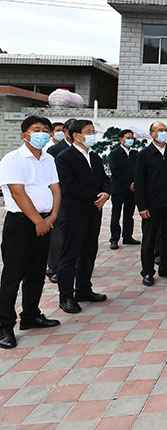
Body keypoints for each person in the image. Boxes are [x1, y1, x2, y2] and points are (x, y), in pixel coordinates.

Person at [0, 116, 61, 349]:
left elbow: (56, 189)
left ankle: (31, 315)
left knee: (36, 272)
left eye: (46, 130)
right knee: (12, 275)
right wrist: (37, 221)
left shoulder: (49, 159)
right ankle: (4, 325)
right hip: (21, 223)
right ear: (24, 134)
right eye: (37, 130)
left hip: (45, 221)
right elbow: (18, 193)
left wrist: (52, 217)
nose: (42, 134)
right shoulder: (12, 159)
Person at [55, 119, 110, 314]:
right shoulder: (64, 157)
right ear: (76, 135)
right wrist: (96, 195)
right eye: (89, 131)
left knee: (89, 251)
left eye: (93, 131)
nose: (93, 134)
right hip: (73, 213)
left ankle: (84, 289)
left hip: (93, 212)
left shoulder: (94, 156)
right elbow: (68, 186)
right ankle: (66, 296)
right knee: (70, 255)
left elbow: (104, 179)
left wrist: (106, 192)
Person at [136, 122, 167, 287]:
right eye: (160, 130)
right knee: (149, 240)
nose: (164, 133)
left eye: (165, 130)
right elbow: (140, 183)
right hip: (151, 206)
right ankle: (148, 272)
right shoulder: (144, 154)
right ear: (152, 134)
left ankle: (166, 267)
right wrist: (142, 206)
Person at [45, 118, 75, 283]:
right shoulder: (54, 151)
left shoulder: (85, 150)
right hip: (59, 199)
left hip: (77, 202)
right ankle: (54, 267)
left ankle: (70, 264)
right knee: (58, 235)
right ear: (66, 132)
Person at [108, 130, 139, 250]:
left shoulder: (135, 153)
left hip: (132, 190)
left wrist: (135, 183)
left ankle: (128, 236)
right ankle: (114, 239)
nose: (131, 140)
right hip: (118, 189)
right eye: (128, 137)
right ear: (121, 139)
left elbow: (138, 170)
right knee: (116, 214)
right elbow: (116, 172)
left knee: (129, 214)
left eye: (132, 137)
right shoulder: (114, 153)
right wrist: (128, 184)